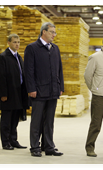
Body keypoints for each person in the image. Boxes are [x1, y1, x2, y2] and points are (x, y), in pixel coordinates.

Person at [24, 22, 64, 157]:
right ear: (44, 32)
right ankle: (35, 146)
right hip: (39, 91)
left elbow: (59, 70)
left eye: (55, 32)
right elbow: (28, 71)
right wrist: (31, 88)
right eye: (52, 32)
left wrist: (60, 87)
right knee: (37, 120)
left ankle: (49, 146)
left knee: (49, 120)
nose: (54, 35)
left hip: (53, 90)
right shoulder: (32, 48)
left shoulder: (55, 48)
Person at [0, 34, 29, 150]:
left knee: (15, 118)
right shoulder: (3, 57)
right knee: (6, 119)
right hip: (8, 94)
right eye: (15, 42)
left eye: (18, 42)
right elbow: (1, 77)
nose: (17, 44)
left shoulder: (18, 57)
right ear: (8, 43)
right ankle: (5, 142)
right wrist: (3, 94)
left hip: (18, 93)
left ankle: (13, 140)